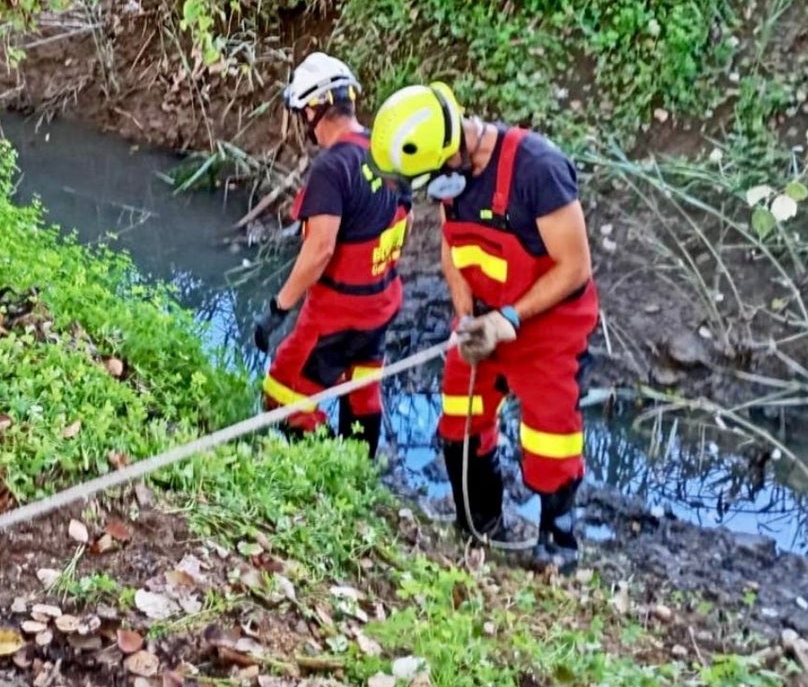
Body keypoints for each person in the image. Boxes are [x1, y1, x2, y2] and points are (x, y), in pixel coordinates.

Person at [368, 82, 598, 574]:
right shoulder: (453, 177)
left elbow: (574, 266)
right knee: (458, 422)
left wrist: (509, 319)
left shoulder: (537, 169)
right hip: (483, 323)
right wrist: (467, 316)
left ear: (452, 148)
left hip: (547, 328)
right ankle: (481, 524)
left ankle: (557, 545)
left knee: (549, 440)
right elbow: (454, 250)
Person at [252, 53, 412, 459]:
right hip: (382, 302)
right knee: (361, 389)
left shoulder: (332, 168)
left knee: (283, 391)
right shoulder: (389, 154)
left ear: (312, 109)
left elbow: (320, 248)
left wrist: (278, 307)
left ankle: (321, 471)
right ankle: (358, 470)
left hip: (337, 312)